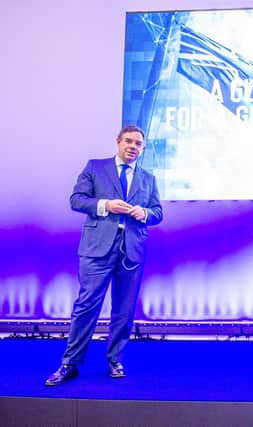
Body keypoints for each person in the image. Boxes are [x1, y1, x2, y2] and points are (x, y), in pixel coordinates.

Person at [45, 125, 163, 386]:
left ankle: (114, 359)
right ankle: (70, 363)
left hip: (131, 251)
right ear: (118, 142)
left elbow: (157, 212)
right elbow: (76, 200)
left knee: (124, 310)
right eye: (129, 142)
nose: (133, 147)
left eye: (138, 144)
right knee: (87, 306)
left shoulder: (148, 178)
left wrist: (143, 213)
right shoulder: (95, 168)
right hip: (97, 249)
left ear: (142, 149)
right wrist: (105, 205)